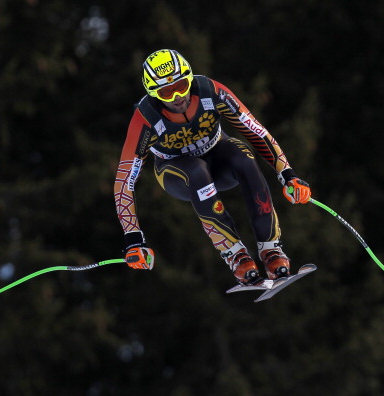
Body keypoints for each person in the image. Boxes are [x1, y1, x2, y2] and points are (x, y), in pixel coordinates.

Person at [114, 49, 311, 285]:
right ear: (153, 93)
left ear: (190, 79)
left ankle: (272, 251)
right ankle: (236, 256)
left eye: (182, 85)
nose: (177, 96)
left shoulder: (210, 91)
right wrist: (134, 238)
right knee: (196, 169)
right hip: (178, 173)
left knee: (243, 156)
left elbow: (256, 131)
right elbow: (125, 180)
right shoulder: (146, 117)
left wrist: (288, 175)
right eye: (166, 92)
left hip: (220, 159)